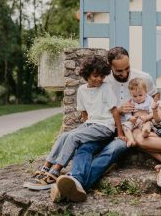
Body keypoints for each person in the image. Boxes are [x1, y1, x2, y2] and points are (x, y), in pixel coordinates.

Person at [50, 46, 158, 202]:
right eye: (119, 71)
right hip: (103, 126)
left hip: (127, 130)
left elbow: (155, 97)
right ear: (110, 67)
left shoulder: (143, 77)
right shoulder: (103, 79)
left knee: (113, 150)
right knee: (84, 147)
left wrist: (145, 117)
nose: (125, 74)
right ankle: (75, 183)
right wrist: (119, 109)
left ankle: (75, 183)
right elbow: (94, 105)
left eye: (127, 68)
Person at [23, 55, 124, 191]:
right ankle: (45, 168)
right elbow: (84, 113)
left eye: (102, 76)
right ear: (86, 74)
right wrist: (85, 128)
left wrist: (120, 133)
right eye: (95, 75)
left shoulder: (106, 88)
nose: (99, 79)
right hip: (91, 125)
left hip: (105, 126)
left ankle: (55, 173)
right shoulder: (82, 90)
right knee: (65, 135)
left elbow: (115, 112)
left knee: (73, 137)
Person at [123, 78, 155, 147]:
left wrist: (147, 117)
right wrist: (130, 118)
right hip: (134, 121)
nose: (138, 98)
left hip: (145, 120)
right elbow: (127, 112)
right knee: (125, 126)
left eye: (140, 95)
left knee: (148, 124)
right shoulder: (130, 101)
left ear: (146, 92)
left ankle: (145, 132)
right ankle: (131, 139)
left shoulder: (149, 99)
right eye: (134, 96)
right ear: (130, 94)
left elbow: (153, 112)